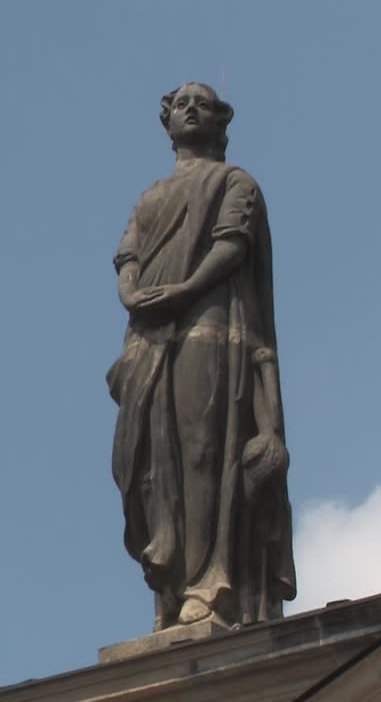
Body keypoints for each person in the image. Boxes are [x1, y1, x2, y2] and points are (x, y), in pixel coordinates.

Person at [107, 82, 296, 630]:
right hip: (148, 339)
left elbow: (230, 245)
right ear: (167, 122)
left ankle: (208, 584)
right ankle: (168, 581)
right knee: (145, 463)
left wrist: (185, 290)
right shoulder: (149, 196)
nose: (190, 108)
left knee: (203, 452)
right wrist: (133, 294)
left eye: (202, 102)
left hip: (209, 327)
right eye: (180, 103)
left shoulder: (235, 182)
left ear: (221, 120)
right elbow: (127, 257)